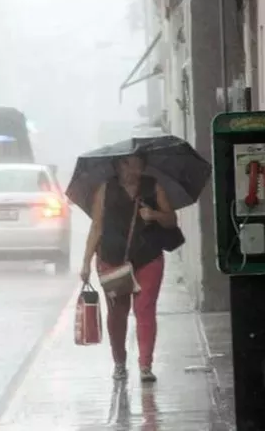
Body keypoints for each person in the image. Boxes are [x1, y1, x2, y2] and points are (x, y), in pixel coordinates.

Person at [80, 152, 178, 383]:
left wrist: (154, 214)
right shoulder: (105, 189)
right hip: (112, 260)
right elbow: (97, 227)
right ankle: (119, 362)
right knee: (117, 313)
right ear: (119, 165)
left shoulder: (153, 187)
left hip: (148, 258)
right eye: (130, 165)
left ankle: (145, 365)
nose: (135, 170)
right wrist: (85, 261)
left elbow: (171, 220)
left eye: (139, 164)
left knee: (145, 309)